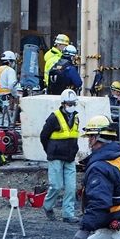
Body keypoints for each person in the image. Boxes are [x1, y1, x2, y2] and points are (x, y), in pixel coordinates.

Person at [41, 89, 81, 223]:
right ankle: (48, 206)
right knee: (56, 186)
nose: (71, 106)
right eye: (69, 104)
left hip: (70, 157)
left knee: (71, 187)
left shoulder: (76, 118)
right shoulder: (54, 118)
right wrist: (50, 151)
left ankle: (68, 214)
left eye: (73, 103)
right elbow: (44, 136)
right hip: (56, 157)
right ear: (63, 104)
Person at [0, 50, 19, 125]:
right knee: (8, 121)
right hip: (8, 100)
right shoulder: (10, 71)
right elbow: (11, 85)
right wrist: (16, 95)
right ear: (10, 61)